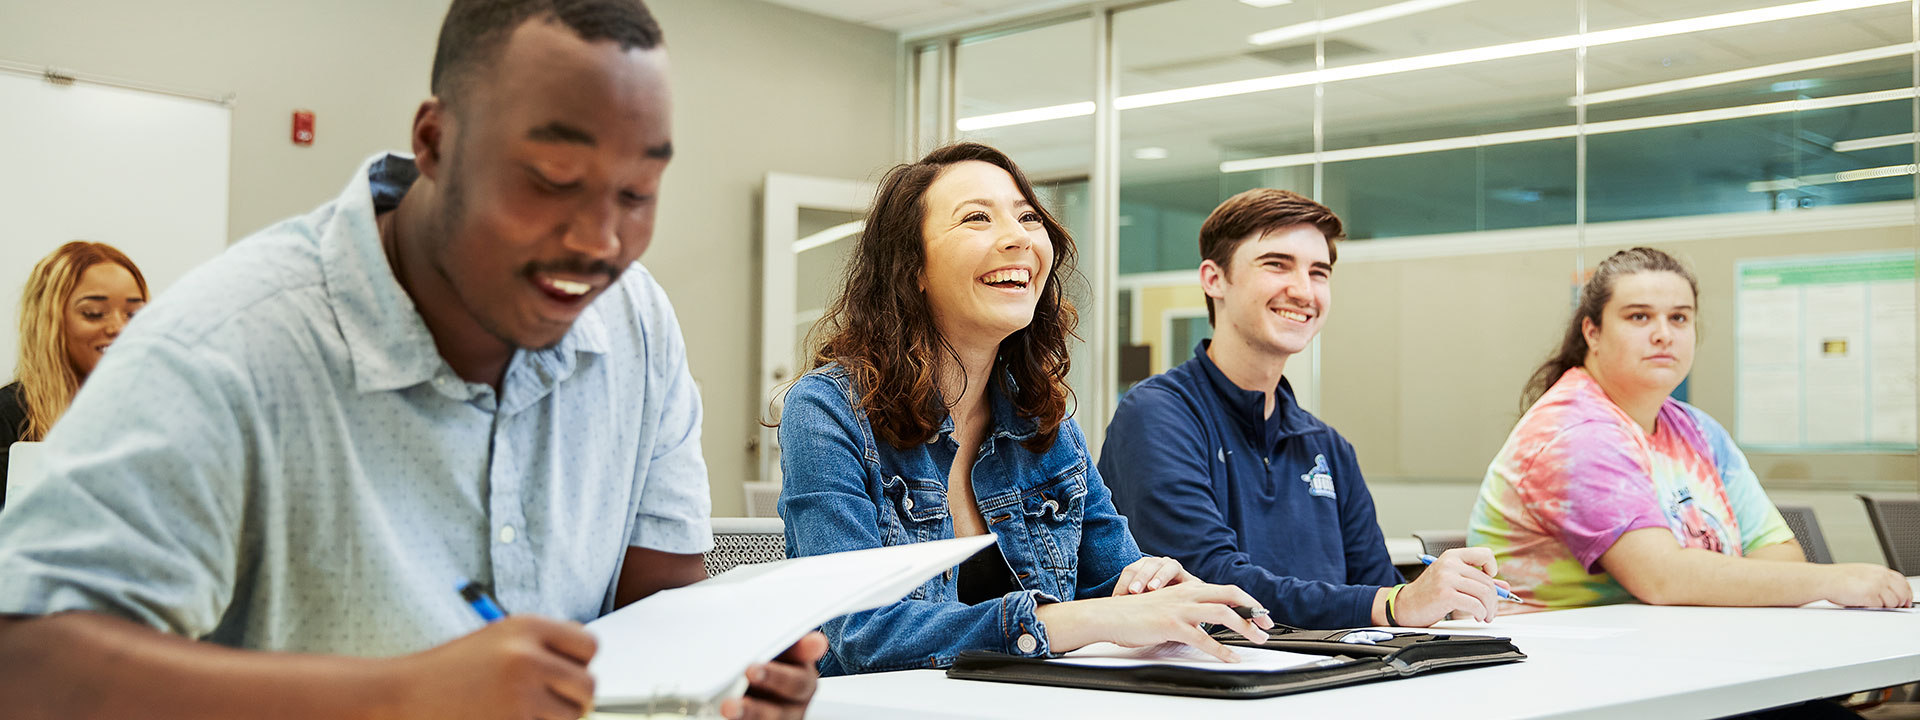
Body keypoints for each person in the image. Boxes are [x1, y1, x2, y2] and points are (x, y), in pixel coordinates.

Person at [0, 2, 823, 718]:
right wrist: (398, 697)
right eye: (550, 178)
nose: (600, 242)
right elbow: (25, 663)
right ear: (433, 140)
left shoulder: (636, 323)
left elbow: (660, 609)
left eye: (637, 194)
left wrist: (722, 682)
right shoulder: (229, 344)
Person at [778, 142, 1274, 676]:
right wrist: (1070, 622)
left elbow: (1114, 588)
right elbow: (855, 634)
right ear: (911, 268)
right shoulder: (828, 409)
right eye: (976, 218)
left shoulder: (1045, 424)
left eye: (1028, 218)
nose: (1018, 238)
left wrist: (1151, 586)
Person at [1101, 188, 1510, 630]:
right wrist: (1394, 603)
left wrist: (1443, 599)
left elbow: (1376, 584)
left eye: (1319, 272)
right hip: (1207, 686)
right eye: (1276, 264)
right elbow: (1208, 581)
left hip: (1328, 682)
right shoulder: (1158, 415)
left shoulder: (1327, 447)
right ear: (1213, 279)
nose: (1302, 290)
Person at [1469, 247, 1911, 611]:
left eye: (1679, 318)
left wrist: (1740, 579)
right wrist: (1832, 580)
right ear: (1593, 332)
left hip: (1675, 654)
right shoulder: (1575, 432)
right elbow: (1663, 578)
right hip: (1566, 673)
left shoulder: (1696, 429)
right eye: (1639, 317)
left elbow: (1779, 553)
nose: (1664, 334)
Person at [1, 241, 147, 504]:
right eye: (94, 314)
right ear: (50, 321)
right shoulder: (8, 418)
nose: (119, 327)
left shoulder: (155, 416)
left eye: (133, 315)